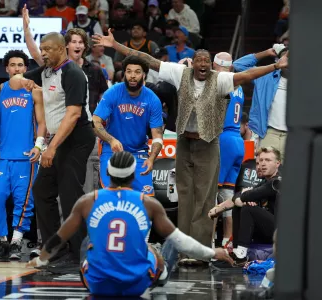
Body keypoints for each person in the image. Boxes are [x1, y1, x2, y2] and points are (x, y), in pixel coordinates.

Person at [92, 30, 288, 266]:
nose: (203, 64)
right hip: (185, 142)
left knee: (205, 199)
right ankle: (185, 251)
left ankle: (203, 253)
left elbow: (247, 75)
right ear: (193, 63)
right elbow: (145, 58)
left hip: (209, 143)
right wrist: (114, 45)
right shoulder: (179, 72)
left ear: (210, 65)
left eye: (207, 61)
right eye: (199, 61)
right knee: (185, 197)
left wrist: (275, 64)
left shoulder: (221, 79)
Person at [26, 151, 233, 296]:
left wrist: (41, 260)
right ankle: (160, 276)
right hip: (137, 286)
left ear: (108, 174)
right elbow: (182, 242)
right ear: (134, 176)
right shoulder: (149, 203)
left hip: (97, 285)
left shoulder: (88, 200)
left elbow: (59, 237)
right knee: (166, 241)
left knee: (89, 239)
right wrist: (214, 253)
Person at [19, 32, 95, 262]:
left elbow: (73, 115)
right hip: (60, 139)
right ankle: (55, 248)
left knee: (70, 195)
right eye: (41, 49)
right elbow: (16, 79)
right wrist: (22, 80)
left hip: (77, 138)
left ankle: (78, 254)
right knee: (42, 190)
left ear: (61, 49)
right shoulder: (47, 71)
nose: (42, 53)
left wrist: (50, 148)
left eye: (47, 49)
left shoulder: (73, 73)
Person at [0, 50, 46, 260]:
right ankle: (1, 241)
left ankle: (16, 241)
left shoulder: (35, 91)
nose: (17, 69)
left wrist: (38, 147)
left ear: (26, 68)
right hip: (1, 156)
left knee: (24, 201)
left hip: (25, 156)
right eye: (13, 65)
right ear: (6, 68)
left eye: (21, 65)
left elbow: (42, 123)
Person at [93, 55, 164, 196]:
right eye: (129, 71)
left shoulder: (152, 99)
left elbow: (157, 136)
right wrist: (111, 140)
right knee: (112, 196)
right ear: (124, 73)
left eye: (137, 72)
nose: (132, 76)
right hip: (112, 151)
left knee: (145, 199)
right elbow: (95, 122)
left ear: (144, 75)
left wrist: (152, 158)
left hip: (139, 152)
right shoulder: (113, 92)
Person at [209, 147, 281, 266]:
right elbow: (239, 195)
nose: (262, 164)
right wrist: (242, 199)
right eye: (260, 160)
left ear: (277, 163)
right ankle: (237, 252)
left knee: (248, 208)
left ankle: (241, 255)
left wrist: (227, 205)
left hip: (280, 232)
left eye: (268, 160)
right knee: (242, 206)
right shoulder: (265, 181)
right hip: (268, 229)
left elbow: (250, 194)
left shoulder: (277, 182)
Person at [233, 44, 289, 161]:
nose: (287, 62)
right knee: (264, 172)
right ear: (278, 60)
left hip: (293, 135)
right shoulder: (264, 76)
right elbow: (238, 65)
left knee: (291, 174)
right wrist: (266, 53)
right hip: (268, 132)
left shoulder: (305, 80)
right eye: (284, 58)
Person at [213, 52, 245, 249]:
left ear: (215, 65)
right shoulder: (238, 83)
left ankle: (208, 241)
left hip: (223, 139)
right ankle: (227, 241)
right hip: (238, 140)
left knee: (212, 194)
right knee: (227, 195)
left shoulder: (219, 80)